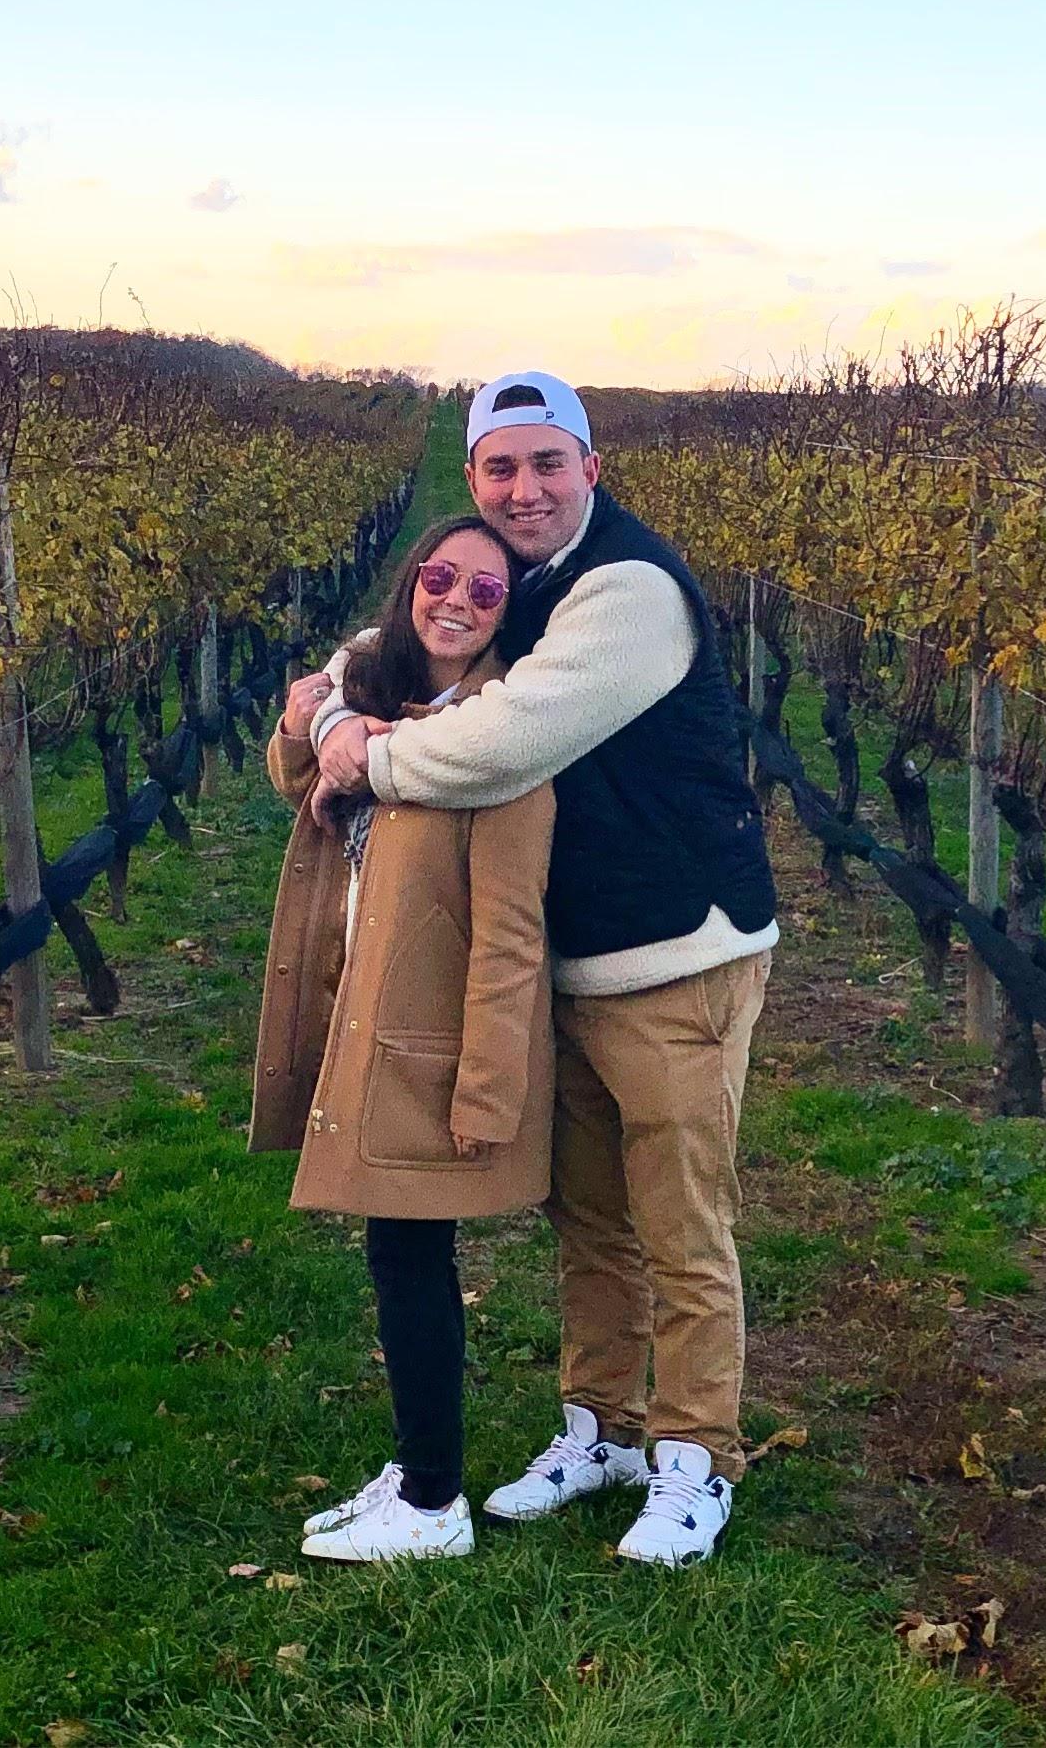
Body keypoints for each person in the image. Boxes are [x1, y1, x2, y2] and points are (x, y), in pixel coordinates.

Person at [311, 371, 777, 1567]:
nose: (524, 490)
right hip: (577, 956)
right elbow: (368, 654)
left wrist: (372, 759)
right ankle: (601, 1428)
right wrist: (332, 717)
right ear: (472, 479)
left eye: (546, 464)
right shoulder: (522, 582)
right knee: (591, 1217)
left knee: (681, 1222)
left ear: (591, 470)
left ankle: (696, 1457)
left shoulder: (629, 590)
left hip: (676, 954)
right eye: (500, 469)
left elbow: (508, 742)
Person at [251, 513, 555, 1565]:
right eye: (440, 577)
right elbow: (305, 784)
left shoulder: (501, 742)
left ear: (509, 616)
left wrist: (488, 1088)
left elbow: (511, 933)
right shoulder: (376, 692)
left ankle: (432, 1503)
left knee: (413, 1255)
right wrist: (307, 726)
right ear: (410, 582)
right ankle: (419, 1473)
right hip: (365, 1013)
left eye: (486, 591)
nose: (457, 601)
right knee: (396, 1251)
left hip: (431, 1041)